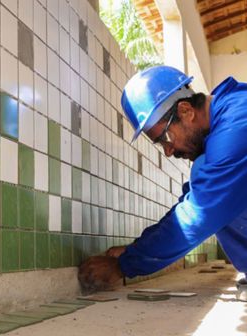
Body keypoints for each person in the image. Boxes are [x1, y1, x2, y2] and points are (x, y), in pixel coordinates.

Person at [78, 65, 247, 293]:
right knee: (203, 173)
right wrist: (135, 249)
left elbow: (200, 213)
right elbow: (194, 200)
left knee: (203, 175)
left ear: (186, 110)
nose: (169, 151)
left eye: (165, 138)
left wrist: (123, 265)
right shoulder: (230, 114)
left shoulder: (237, 125)